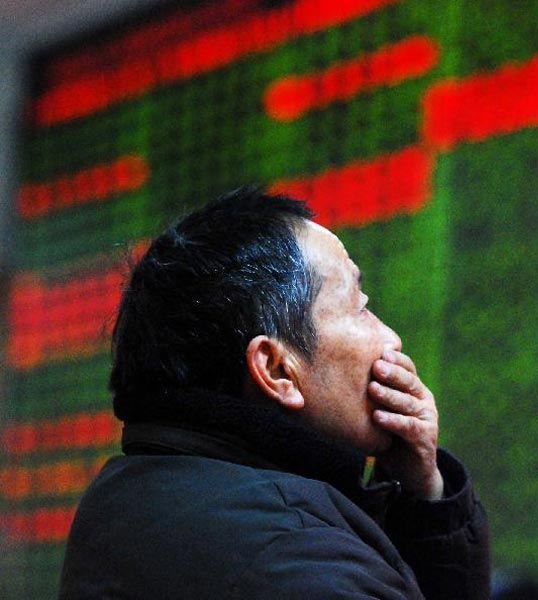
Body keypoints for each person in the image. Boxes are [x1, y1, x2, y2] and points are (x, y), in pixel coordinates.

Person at [58, 188, 490, 599]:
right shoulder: (300, 562)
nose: (390, 339)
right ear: (277, 369)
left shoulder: (127, 499)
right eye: (359, 307)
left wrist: (422, 497)